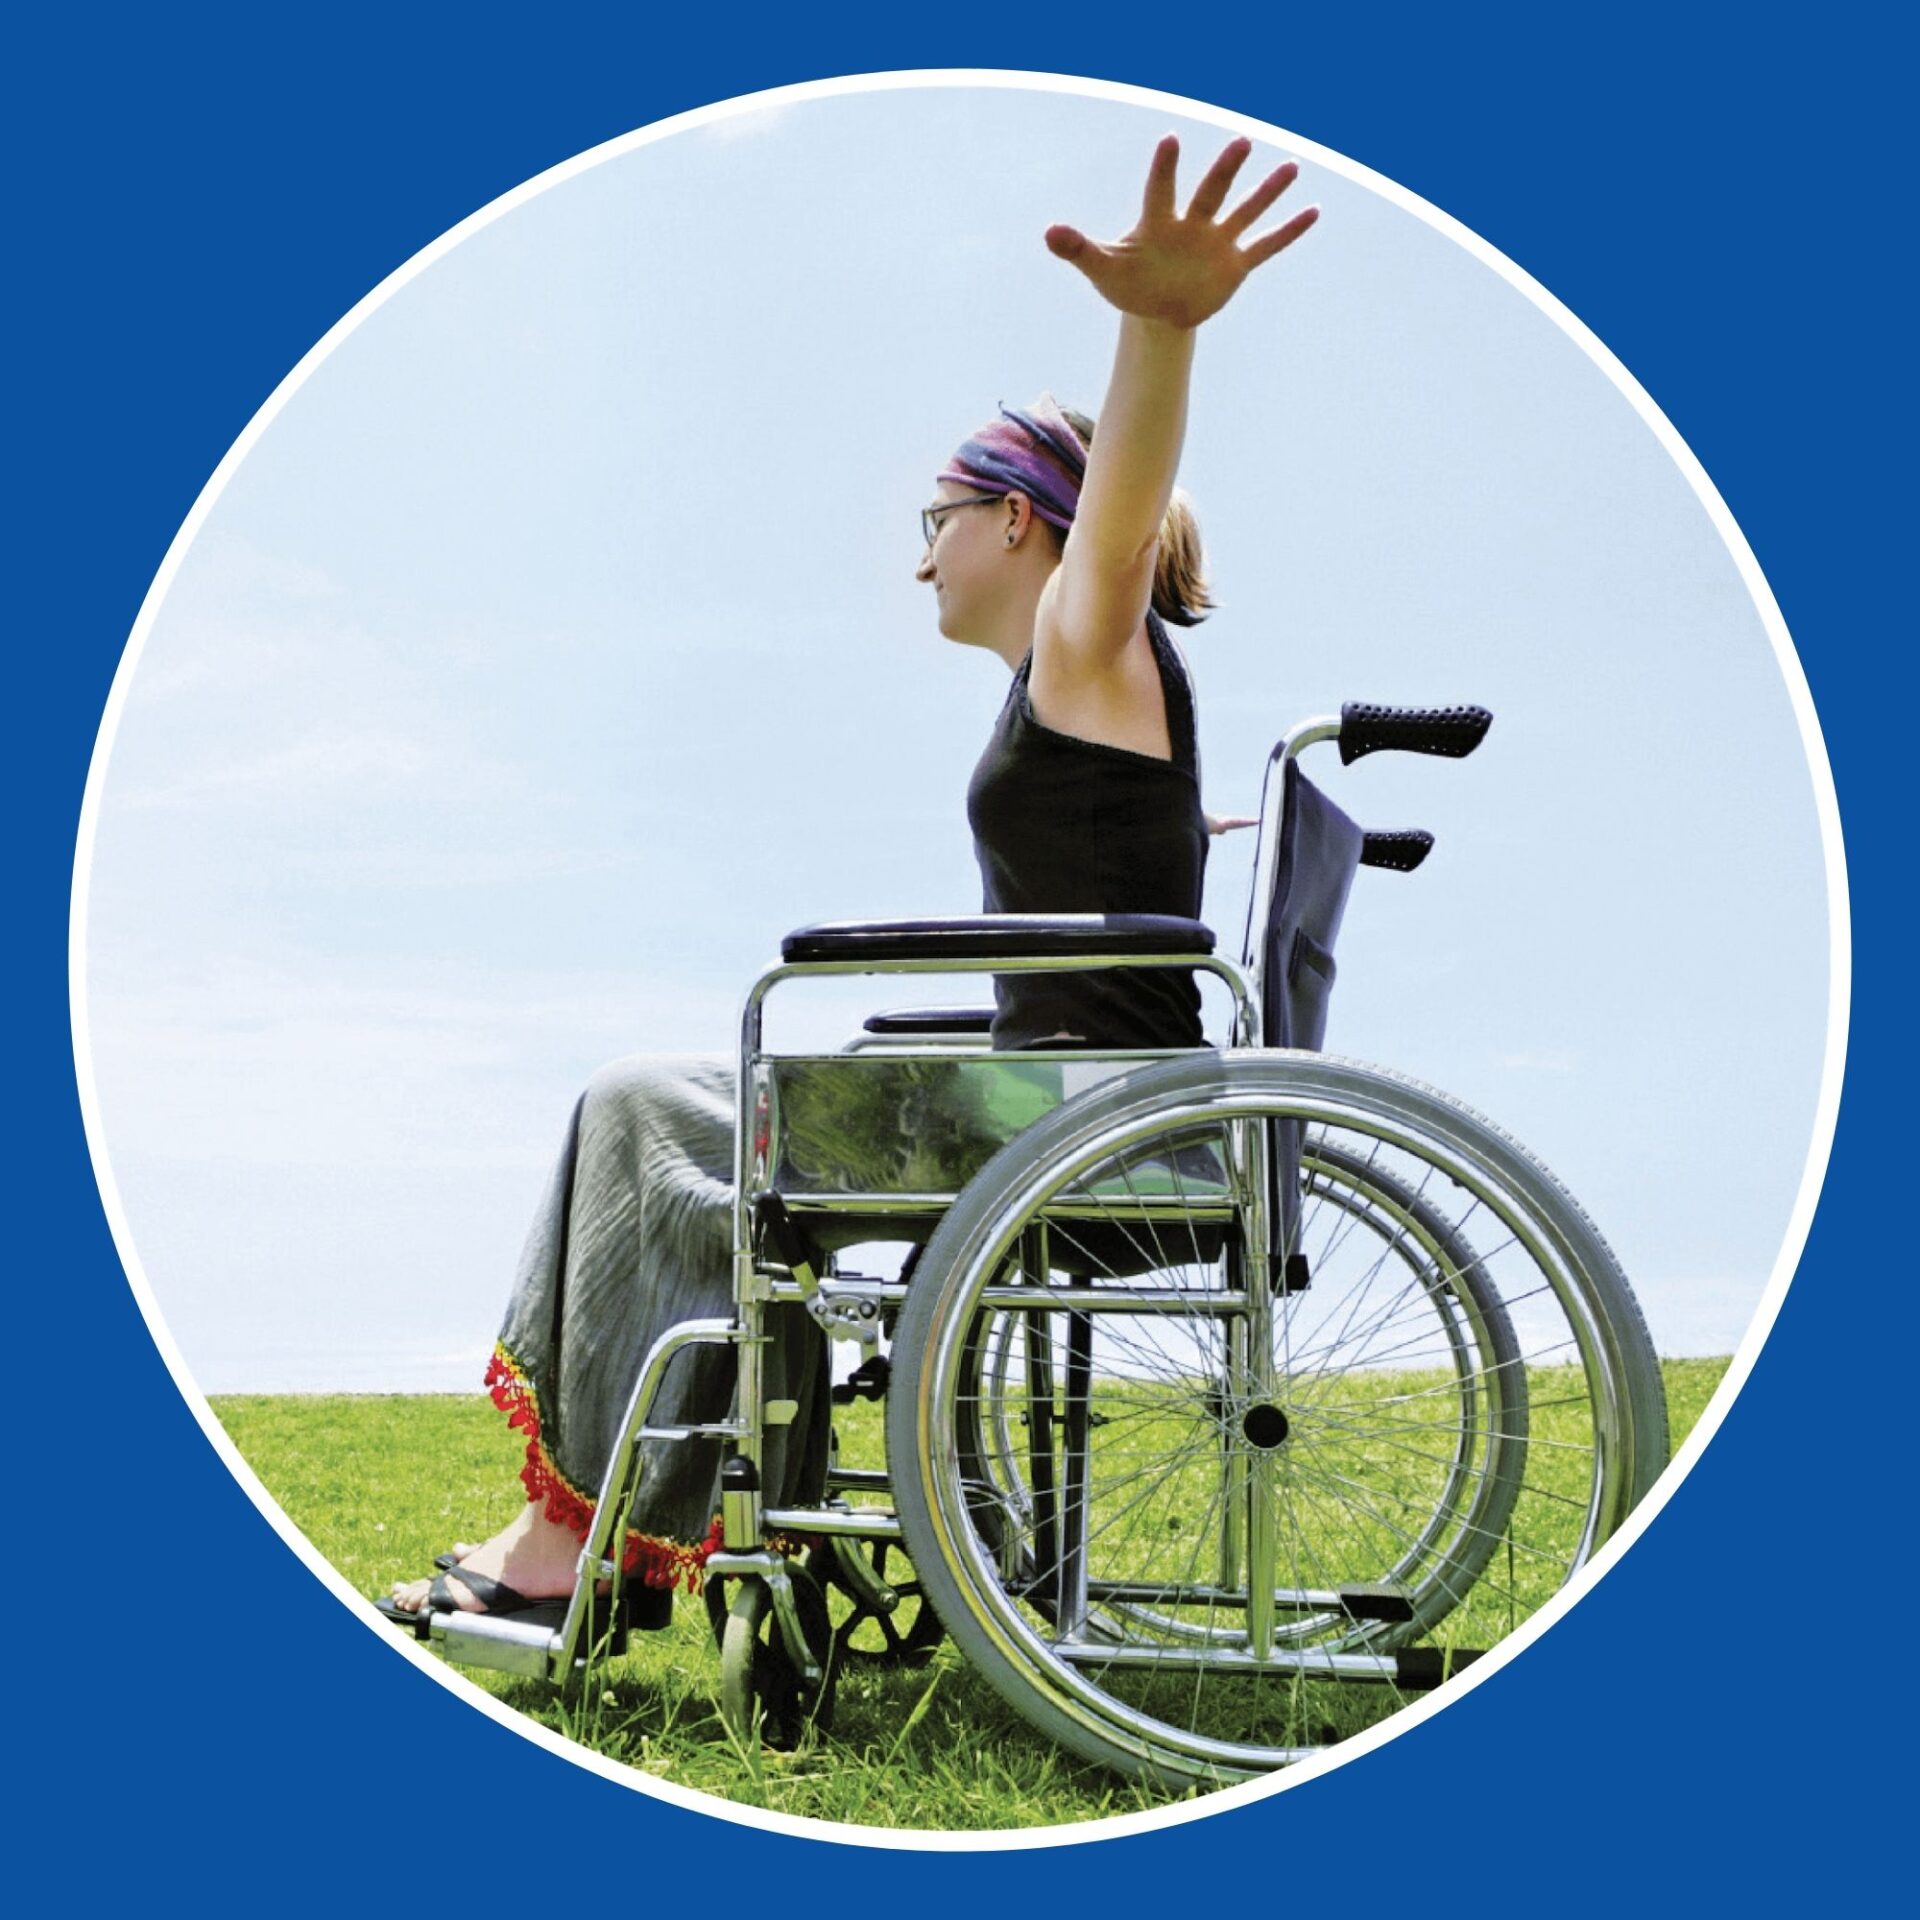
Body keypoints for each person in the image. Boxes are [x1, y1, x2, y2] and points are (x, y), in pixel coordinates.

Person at [381, 133, 1316, 1627]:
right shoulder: (1083, 691)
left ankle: (578, 1548)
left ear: (1019, 519)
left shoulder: (1086, 642)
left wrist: (1161, 325)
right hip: (1069, 1101)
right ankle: (592, 1532)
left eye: (937, 523)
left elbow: (1120, 519)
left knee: (642, 1102)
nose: (923, 560)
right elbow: (1112, 840)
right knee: (683, 1116)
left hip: (1082, 1123)